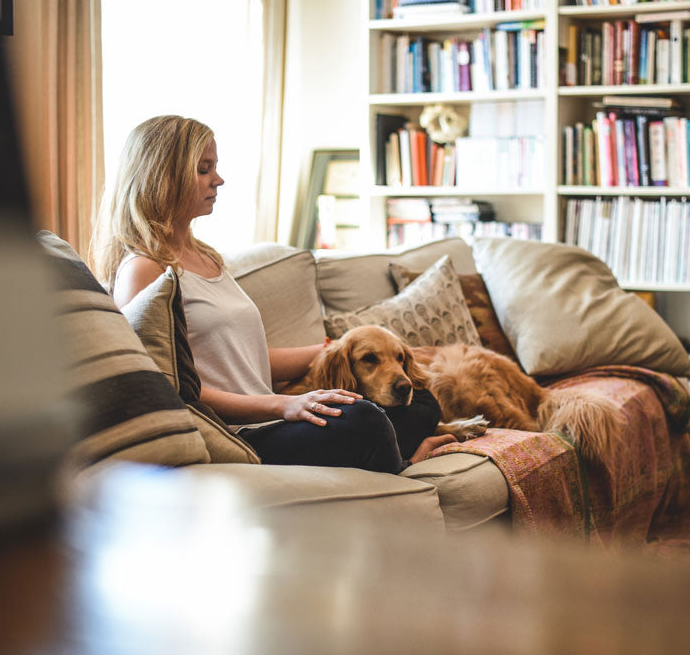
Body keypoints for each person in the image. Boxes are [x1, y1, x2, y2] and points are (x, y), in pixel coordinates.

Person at [91, 115, 454, 472]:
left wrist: (333, 349)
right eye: (204, 169)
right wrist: (281, 406)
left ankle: (387, 447)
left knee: (422, 400)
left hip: (273, 418)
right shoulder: (144, 269)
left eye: (214, 167)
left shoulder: (207, 257)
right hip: (238, 431)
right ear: (163, 177)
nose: (218, 179)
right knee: (365, 420)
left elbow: (247, 356)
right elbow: (161, 385)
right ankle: (405, 459)